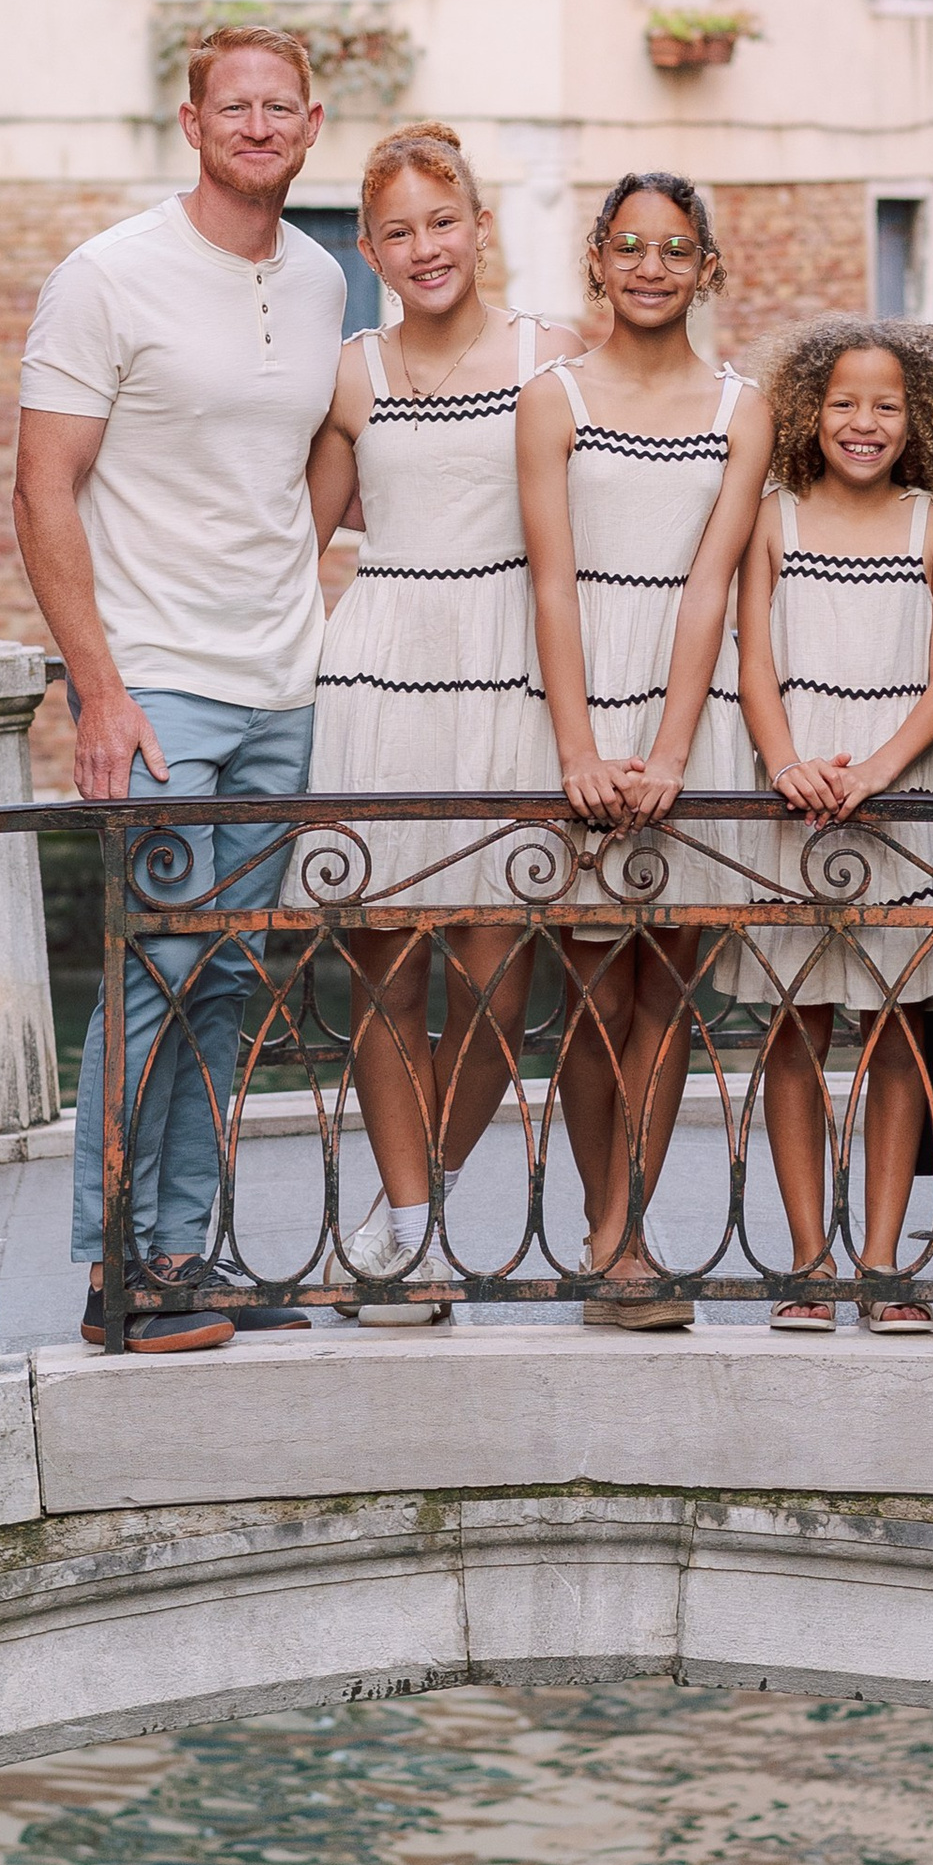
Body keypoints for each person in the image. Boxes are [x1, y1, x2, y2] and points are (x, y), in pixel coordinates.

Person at [13, 24, 349, 1352]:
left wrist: (296, 580)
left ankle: (184, 1252)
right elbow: (43, 490)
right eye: (236, 107)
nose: (260, 126)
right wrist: (100, 693)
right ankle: (114, 1275)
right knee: (153, 972)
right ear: (193, 122)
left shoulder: (326, 280)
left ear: (313, 125)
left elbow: (317, 456)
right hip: (158, 691)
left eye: (283, 108)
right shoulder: (107, 277)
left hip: (283, 686)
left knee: (230, 983)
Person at [308, 124, 583, 1308]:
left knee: (496, 976)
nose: (426, 247)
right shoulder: (352, 371)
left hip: (512, 667)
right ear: (371, 249)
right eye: (399, 231)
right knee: (383, 965)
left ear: (480, 225)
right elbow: (292, 549)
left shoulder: (553, 354)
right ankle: (408, 1224)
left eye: (443, 221)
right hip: (379, 670)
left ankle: (427, 1182)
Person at [515, 171, 770, 1325]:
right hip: (572, 696)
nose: (653, 266)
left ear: (706, 267)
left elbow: (713, 583)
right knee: (584, 990)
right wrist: (580, 747)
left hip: (692, 708)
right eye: (631, 246)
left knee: (667, 986)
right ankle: (603, 1231)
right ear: (599, 263)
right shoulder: (551, 397)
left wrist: (670, 749)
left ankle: (625, 1235)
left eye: (675, 248)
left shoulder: (742, 406)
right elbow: (551, 579)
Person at [734, 318, 933, 1336]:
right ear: (810, 410)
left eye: (885, 404)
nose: (864, 421)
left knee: (896, 1036)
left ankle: (882, 1261)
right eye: (844, 401)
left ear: (916, 415)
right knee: (792, 1032)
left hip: (908, 801)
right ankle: (808, 1259)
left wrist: (882, 769)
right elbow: (751, 662)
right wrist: (787, 759)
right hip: (792, 801)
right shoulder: (772, 517)